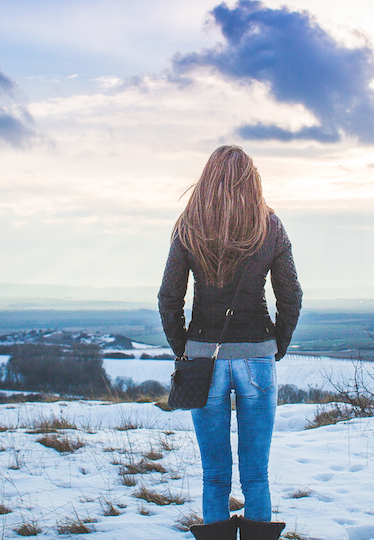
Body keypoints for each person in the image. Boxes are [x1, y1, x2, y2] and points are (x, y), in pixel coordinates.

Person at [158, 145, 302, 540]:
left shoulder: (190, 225)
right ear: (251, 181)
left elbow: (168, 298)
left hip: (204, 359)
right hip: (257, 357)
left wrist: (185, 351)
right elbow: (292, 296)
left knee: (215, 474)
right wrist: (276, 346)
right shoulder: (269, 226)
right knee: (256, 473)